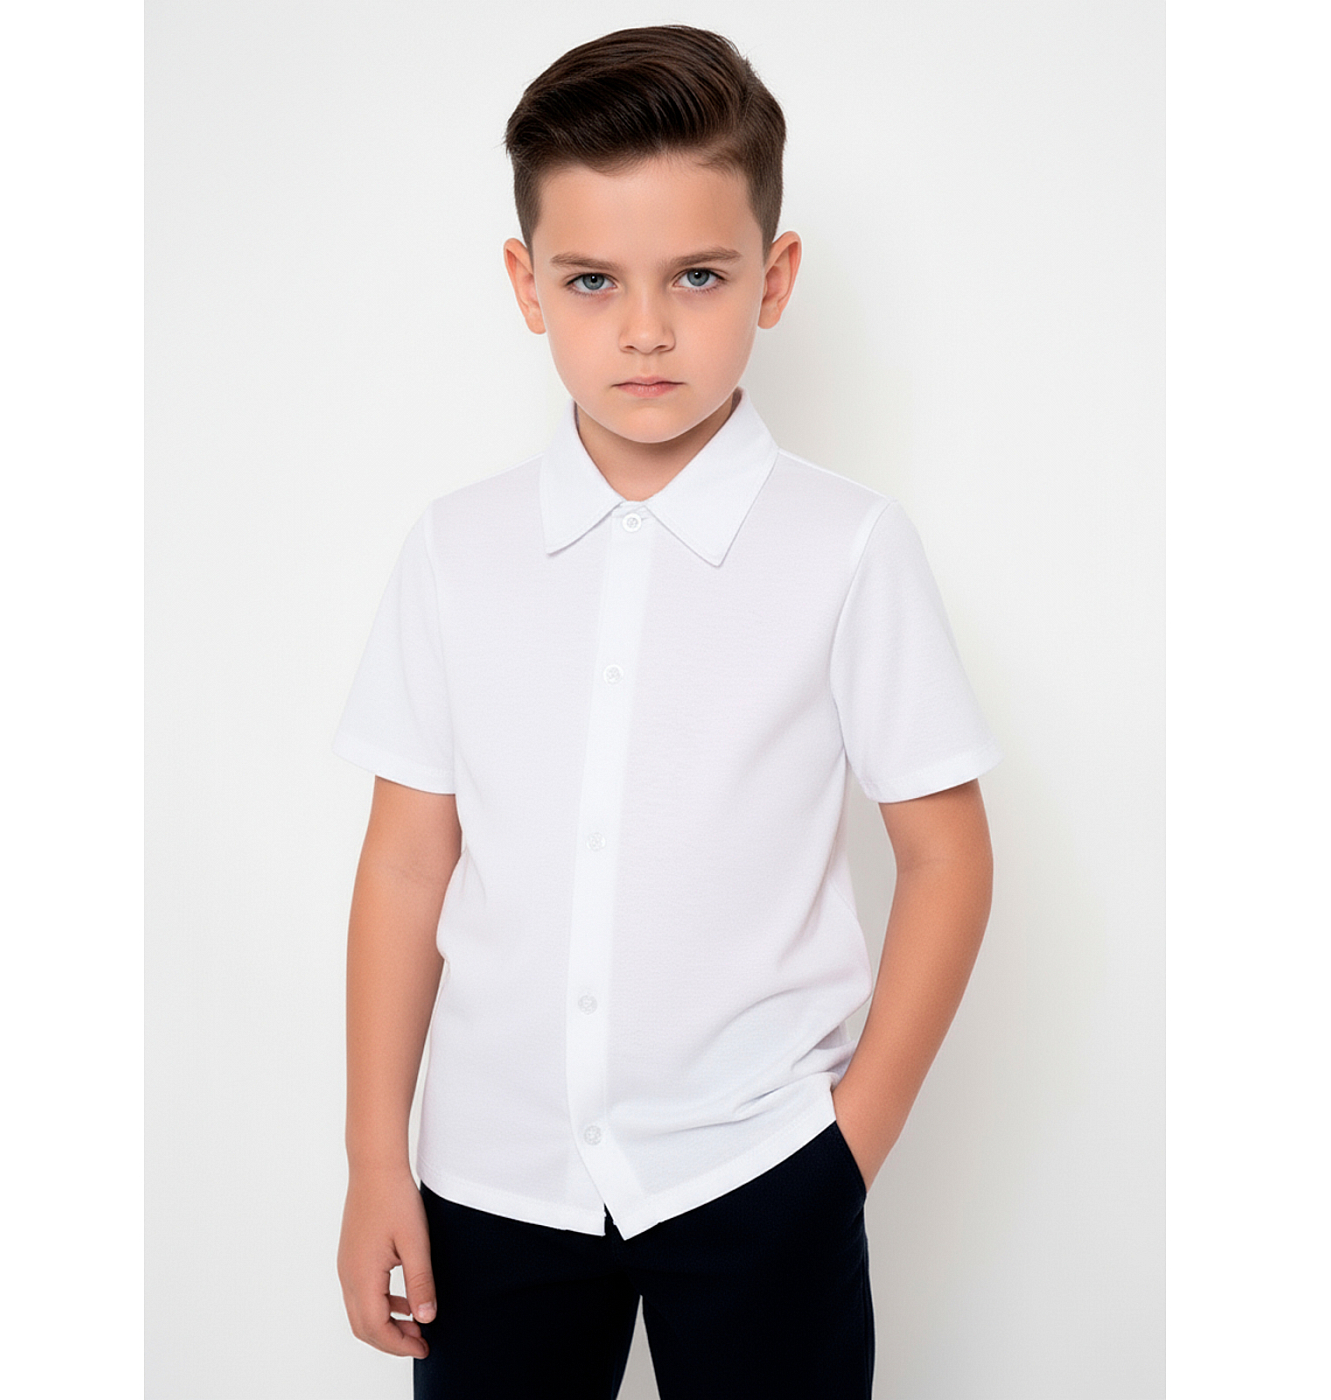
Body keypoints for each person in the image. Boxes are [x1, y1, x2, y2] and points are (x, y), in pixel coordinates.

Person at [332, 24, 999, 1400]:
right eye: (592, 280)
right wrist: (374, 1157)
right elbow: (406, 861)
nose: (645, 329)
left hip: (760, 1166)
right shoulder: (457, 549)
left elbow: (947, 854)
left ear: (776, 277)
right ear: (526, 284)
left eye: (698, 275)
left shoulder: (848, 547)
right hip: (491, 1178)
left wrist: (847, 1150)